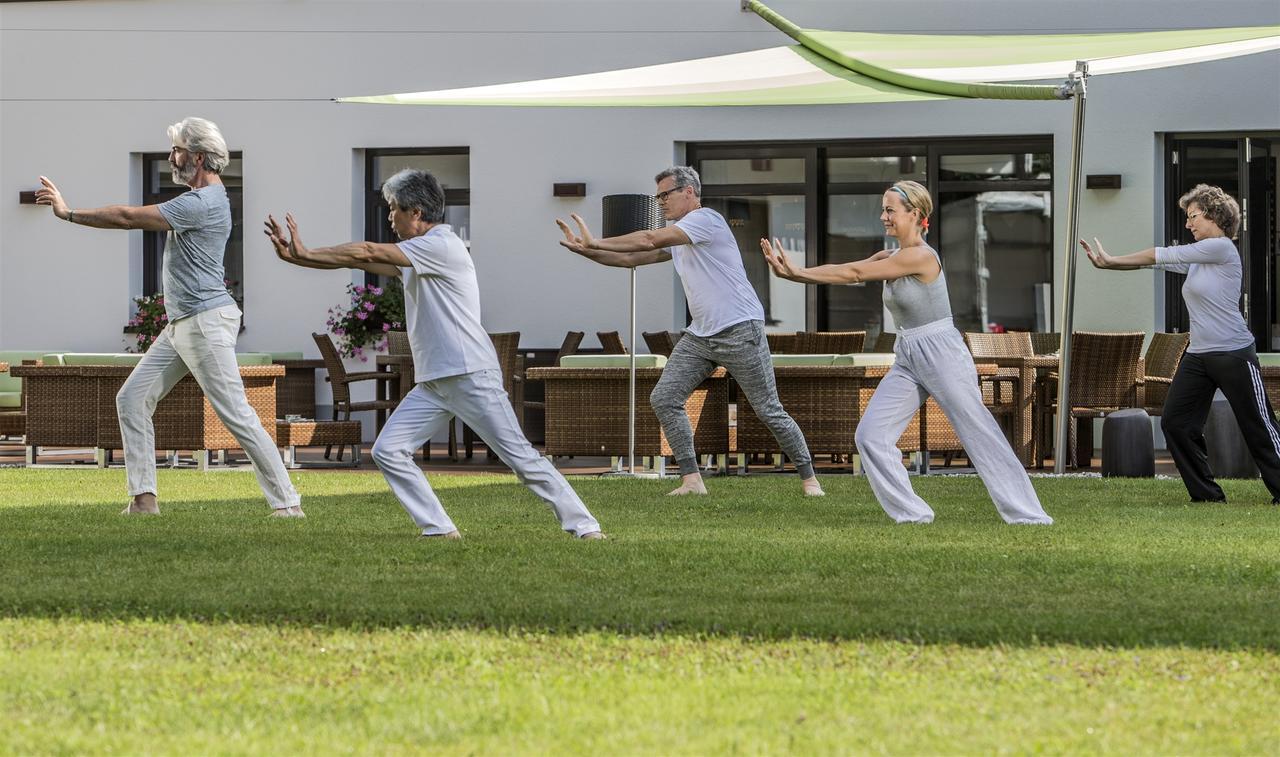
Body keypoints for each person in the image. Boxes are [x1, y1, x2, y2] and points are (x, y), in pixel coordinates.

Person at [266, 168, 604, 539]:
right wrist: (297, 258)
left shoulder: (441, 245)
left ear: (415, 212)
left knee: (522, 460)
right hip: (435, 383)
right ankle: (439, 529)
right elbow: (360, 262)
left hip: (470, 374)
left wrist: (309, 250)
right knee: (388, 451)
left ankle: (586, 528)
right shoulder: (419, 254)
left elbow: (365, 250)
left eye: (393, 209)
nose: (389, 217)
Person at [35, 117, 304, 518]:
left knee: (237, 414)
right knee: (132, 398)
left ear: (197, 157)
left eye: (177, 150)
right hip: (183, 323)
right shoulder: (204, 199)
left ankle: (288, 504)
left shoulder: (202, 202)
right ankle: (144, 501)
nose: (171, 157)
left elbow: (128, 218)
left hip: (205, 322)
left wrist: (69, 213)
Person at [761, 180, 1052, 525]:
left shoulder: (920, 257)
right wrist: (794, 275)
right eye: (882, 209)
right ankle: (912, 514)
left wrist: (797, 271)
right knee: (871, 436)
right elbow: (851, 271)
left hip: (941, 351)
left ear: (915, 214)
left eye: (890, 210)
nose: (883, 216)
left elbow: (855, 272)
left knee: (979, 433)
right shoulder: (891, 255)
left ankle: (1029, 516)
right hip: (909, 352)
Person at [557, 166, 823, 497]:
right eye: (657, 197)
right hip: (700, 336)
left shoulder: (706, 220)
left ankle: (810, 479)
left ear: (689, 192)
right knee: (665, 398)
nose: (660, 203)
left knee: (768, 408)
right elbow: (632, 259)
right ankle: (692, 480)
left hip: (740, 329)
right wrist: (588, 251)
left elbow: (648, 238)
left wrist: (596, 240)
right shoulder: (682, 236)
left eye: (664, 195)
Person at [1081, 183, 1280, 504]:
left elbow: (1161, 253)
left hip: (1233, 352)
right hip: (1199, 355)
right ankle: (1207, 496)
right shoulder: (1200, 257)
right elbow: (1155, 262)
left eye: (1193, 216)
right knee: (1176, 423)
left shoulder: (1221, 248)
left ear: (1215, 216)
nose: (1188, 224)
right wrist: (1109, 264)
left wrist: (1112, 258)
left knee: (1259, 425)